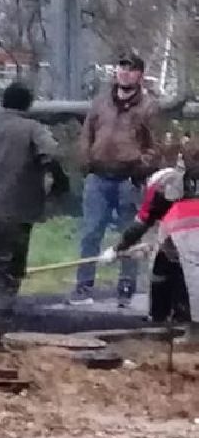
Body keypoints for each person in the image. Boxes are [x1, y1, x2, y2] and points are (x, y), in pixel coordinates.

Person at [0, 83, 68, 354]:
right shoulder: (33, 129)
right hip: (14, 214)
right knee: (7, 276)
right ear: (29, 105)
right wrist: (60, 183)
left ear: (2, 103)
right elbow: (51, 154)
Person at [73, 54, 159, 305]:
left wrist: (141, 168)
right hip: (98, 177)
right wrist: (86, 161)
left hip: (128, 179)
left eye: (130, 69)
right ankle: (83, 286)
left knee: (129, 234)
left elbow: (154, 145)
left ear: (139, 74)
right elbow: (86, 135)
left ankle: (126, 288)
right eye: (121, 68)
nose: (124, 72)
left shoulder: (148, 107)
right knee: (90, 233)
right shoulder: (100, 103)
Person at [107, 139, 199, 331]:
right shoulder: (181, 181)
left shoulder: (159, 183)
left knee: (176, 269)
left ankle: (166, 318)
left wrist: (117, 249)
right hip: (181, 233)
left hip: (185, 227)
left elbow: (141, 223)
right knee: (169, 261)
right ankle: (176, 314)